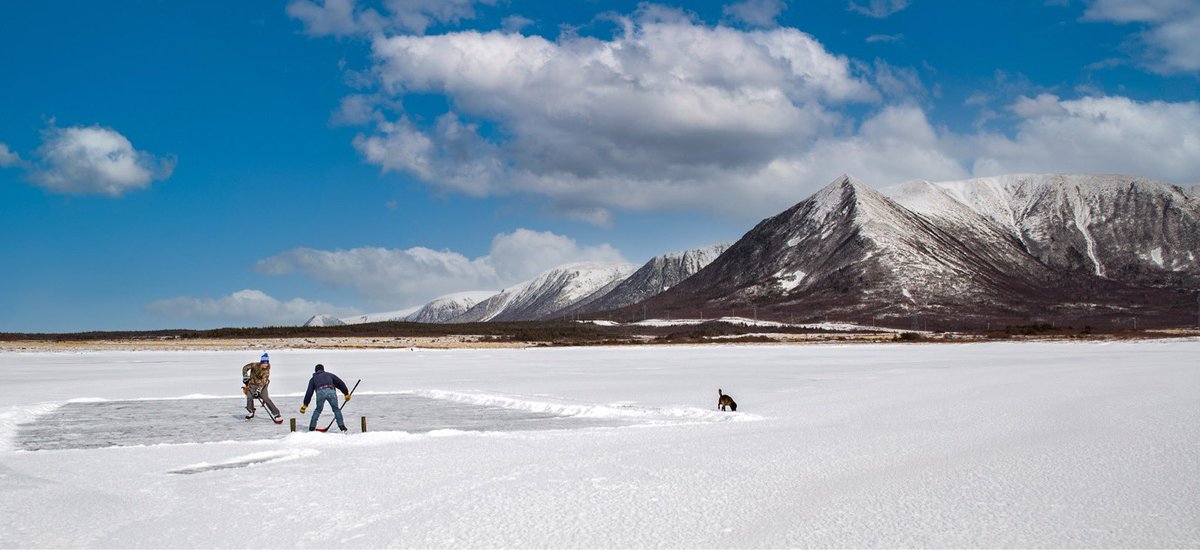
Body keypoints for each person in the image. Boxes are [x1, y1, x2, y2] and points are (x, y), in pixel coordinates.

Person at [300, 364, 350, 432]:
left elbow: (309, 392)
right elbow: (340, 383)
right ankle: (342, 427)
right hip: (331, 390)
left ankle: (312, 427)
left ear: (315, 371)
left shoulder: (313, 379)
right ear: (323, 369)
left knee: (318, 410)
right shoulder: (329, 375)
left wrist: (305, 405)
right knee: (336, 409)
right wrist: (346, 393)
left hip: (320, 392)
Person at [242, 352, 282, 423]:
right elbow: (245, 368)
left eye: (267, 363)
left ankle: (277, 414)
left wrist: (258, 391)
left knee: (265, 398)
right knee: (249, 397)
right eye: (264, 363)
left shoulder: (266, 371)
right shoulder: (254, 365)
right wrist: (245, 376)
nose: (265, 365)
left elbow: (263, 382)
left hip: (263, 386)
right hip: (252, 384)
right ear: (261, 362)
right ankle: (251, 411)